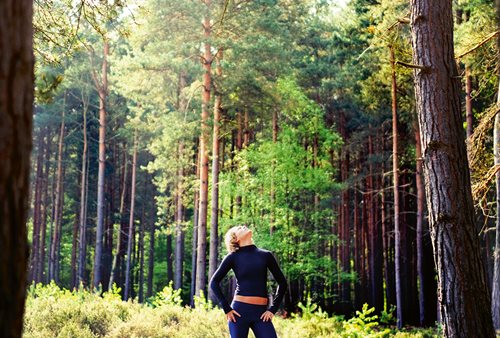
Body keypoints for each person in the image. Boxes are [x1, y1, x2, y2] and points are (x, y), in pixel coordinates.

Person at [209, 225, 288, 338]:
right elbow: (214, 282)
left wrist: (273, 309)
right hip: (239, 312)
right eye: (239, 228)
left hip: (261, 314)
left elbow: (282, 283)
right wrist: (226, 308)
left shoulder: (266, 255)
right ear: (236, 239)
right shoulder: (232, 257)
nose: (243, 226)